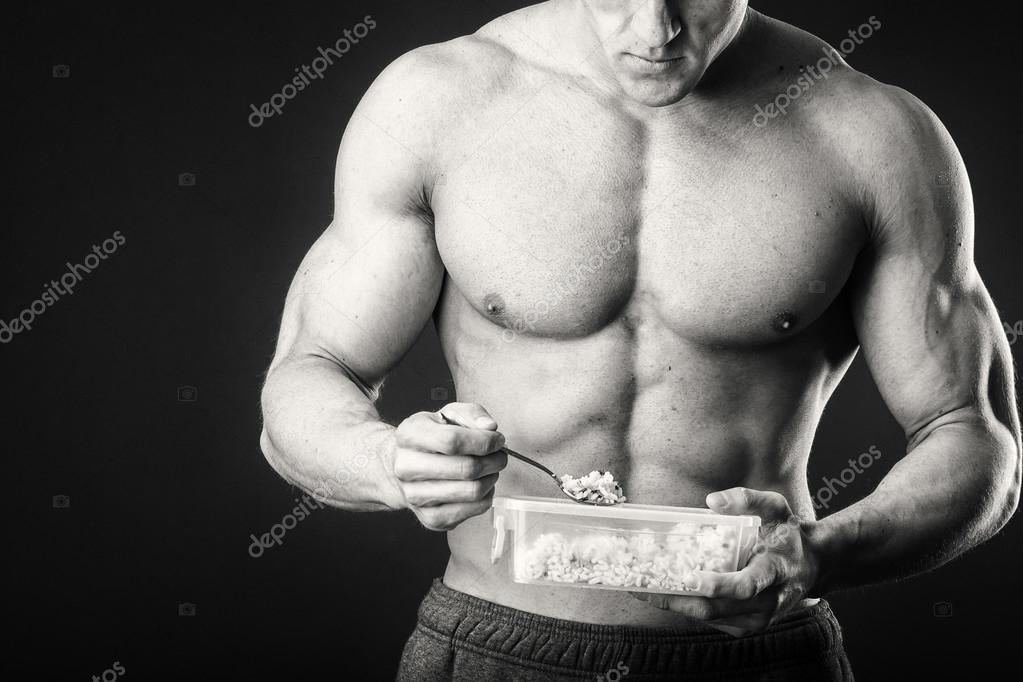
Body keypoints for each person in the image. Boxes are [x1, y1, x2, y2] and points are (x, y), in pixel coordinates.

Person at [259, 1, 1021, 679]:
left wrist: (825, 552)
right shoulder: (440, 102)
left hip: (762, 656)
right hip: (494, 648)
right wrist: (388, 462)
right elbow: (310, 373)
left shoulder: (873, 135)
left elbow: (973, 435)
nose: (654, 29)